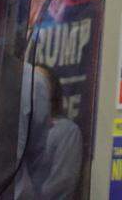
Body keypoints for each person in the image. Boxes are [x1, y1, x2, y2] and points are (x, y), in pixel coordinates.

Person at [29, 64, 84, 199]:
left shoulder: (67, 131)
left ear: (52, 91)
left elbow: (61, 184)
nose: (34, 87)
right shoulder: (20, 129)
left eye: (40, 82)